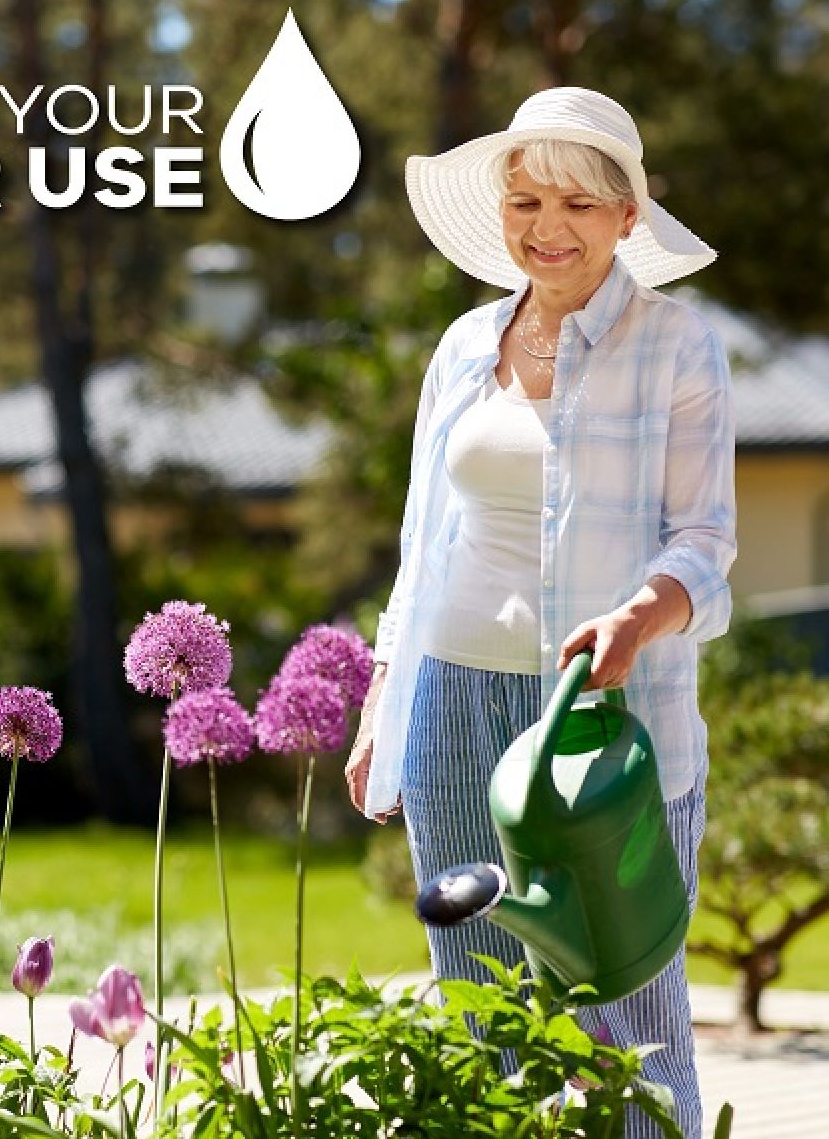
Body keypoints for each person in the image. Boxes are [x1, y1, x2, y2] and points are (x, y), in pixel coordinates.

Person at [344, 86, 736, 1138]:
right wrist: (387, 693)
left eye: (575, 204)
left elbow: (705, 540)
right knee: (479, 1006)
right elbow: (424, 542)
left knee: (626, 1011)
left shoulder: (677, 346)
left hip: (602, 722)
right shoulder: (465, 345)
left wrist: (638, 618)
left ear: (627, 217)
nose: (545, 229)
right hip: (454, 704)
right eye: (525, 203)